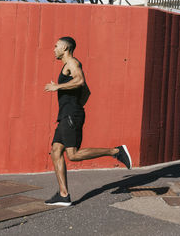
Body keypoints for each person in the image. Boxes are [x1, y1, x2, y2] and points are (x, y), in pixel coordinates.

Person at [44, 36, 132, 206]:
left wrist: (58, 87)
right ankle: (63, 195)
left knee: (73, 154)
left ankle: (116, 151)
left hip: (70, 116)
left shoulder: (73, 63)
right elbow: (87, 92)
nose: (54, 49)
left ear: (65, 48)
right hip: (67, 115)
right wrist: (75, 105)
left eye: (56, 46)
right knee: (56, 151)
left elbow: (80, 81)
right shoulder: (67, 65)